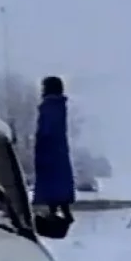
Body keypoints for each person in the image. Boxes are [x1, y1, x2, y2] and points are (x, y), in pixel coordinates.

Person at [32, 75, 75, 221]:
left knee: (51, 181)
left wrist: (41, 142)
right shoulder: (59, 105)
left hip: (49, 151)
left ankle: (55, 214)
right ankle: (61, 211)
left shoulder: (50, 106)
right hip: (58, 150)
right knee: (58, 182)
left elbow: (47, 129)